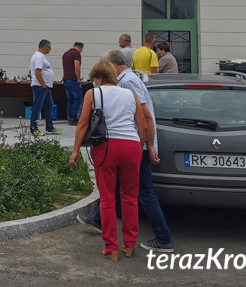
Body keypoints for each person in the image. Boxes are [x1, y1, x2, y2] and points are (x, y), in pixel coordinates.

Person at [77, 50, 175, 253]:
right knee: (124, 193)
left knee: (138, 193)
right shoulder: (128, 84)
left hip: (121, 145)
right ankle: (115, 233)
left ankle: (161, 237)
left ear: (110, 68)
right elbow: (142, 119)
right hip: (131, 145)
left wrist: (148, 146)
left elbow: (146, 118)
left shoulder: (126, 83)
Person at [70, 60, 148, 261]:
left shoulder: (92, 94)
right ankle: (129, 245)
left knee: (107, 198)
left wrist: (76, 150)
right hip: (131, 146)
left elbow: (83, 123)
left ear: (98, 78)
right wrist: (138, 147)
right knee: (130, 197)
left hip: (106, 147)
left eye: (93, 79)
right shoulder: (131, 95)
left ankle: (111, 247)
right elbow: (143, 126)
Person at [29, 39, 60, 135]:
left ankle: (49, 127)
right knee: (37, 107)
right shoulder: (38, 57)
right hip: (40, 86)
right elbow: (37, 71)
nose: (50, 49)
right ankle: (33, 128)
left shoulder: (42, 57)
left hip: (45, 87)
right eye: (49, 47)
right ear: (45, 47)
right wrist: (43, 84)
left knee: (49, 106)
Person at [62, 41, 84, 125]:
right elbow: (76, 66)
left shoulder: (65, 54)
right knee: (78, 99)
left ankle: (69, 117)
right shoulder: (76, 54)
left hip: (66, 80)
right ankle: (73, 117)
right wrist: (78, 78)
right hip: (73, 80)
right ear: (81, 48)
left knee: (70, 99)